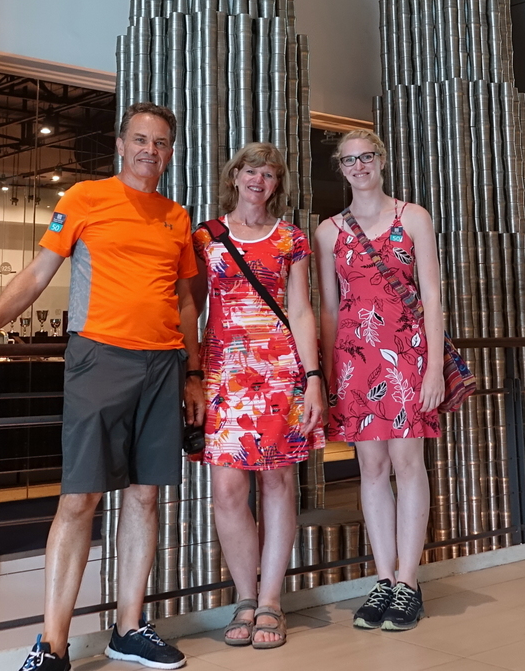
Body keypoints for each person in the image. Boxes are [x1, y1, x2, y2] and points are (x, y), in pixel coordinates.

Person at [0, 103, 203, 671]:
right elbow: (37, 274)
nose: (150, 150)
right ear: (120, 145)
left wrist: (193, 372)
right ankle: (51, 645)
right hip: (99, 358)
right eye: (140, 139)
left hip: (163, 364)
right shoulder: (84, 198)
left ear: (171, 152)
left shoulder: (177, 216)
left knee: (146, 495)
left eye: (160, 142)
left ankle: (129, 629)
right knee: (79, 499)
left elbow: (186, 301)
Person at [183, 143, 325, 650]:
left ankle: (270, 601)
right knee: (226, 489)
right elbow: (190, 308)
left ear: (277, 184)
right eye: (250, 170)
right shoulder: (206, 236)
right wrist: (191, 373)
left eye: (268, 174)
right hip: (223, 372)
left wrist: (313, 377)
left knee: (278, 483)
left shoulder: (290, 237)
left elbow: (301, 311)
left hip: (280, 371)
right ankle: (244, 596)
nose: (258, 180)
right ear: (234, 176)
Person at [315, 129, 445, 632]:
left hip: (407, 354)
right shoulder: (329, 231)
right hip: (354, 358)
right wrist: (329, 375)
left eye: (367, 156)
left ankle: (409, 582)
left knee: (408, 463)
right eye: (349, 160)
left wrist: (434, 366)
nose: (359, 166)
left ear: (382, 160)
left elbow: (431, 296)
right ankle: (384, 579)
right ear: (340, 168)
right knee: (370, 468)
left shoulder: (413, 218)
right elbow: (329, 309)